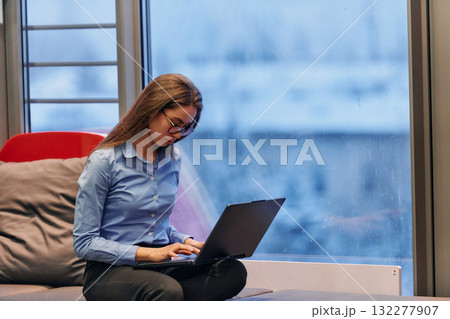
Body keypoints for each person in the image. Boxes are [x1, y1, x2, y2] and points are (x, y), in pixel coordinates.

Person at [73, 73, 247, 301]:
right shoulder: (105, 161)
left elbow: (157, 225)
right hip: (109, 270)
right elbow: (84, 243)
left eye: (186, 128)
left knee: (232, 271)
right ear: (151, 110)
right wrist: (149, 254)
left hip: (159, 267)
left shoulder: (172, 159)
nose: (177, 135)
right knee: (165, 290)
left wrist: (186, 241)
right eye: (174, 124)